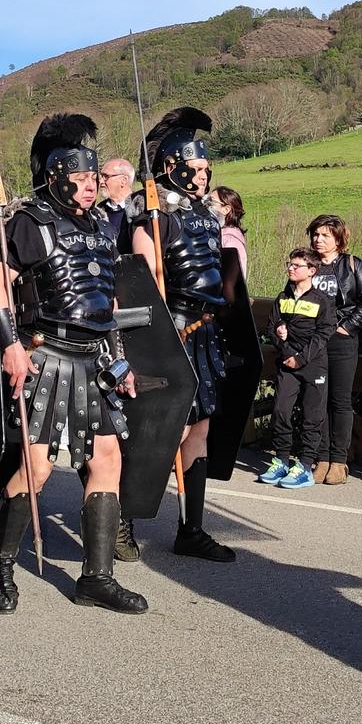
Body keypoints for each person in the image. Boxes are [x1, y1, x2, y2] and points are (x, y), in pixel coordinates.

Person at [0, 113, 147, 615]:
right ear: (54, 176)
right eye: (80, 178)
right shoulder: (29, 222)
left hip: (93, 359)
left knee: (106, 461)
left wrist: (120, 362)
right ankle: (0, 564)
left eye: (94, 178)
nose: (91, 186)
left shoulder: (100, 227)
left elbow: (106, 304)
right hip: (46, 353)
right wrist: (10, 345)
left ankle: (96, 577)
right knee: (36, 466)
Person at [132, 107, 242, 560]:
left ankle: (190, 529)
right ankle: (121, 519)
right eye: (193, 168)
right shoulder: (150, 222)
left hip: (205, 331)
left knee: (199, 428)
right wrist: (158, 338)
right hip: (171, 330)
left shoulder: (206, 216)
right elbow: (148, 279)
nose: (202, 175)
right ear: (170, 168)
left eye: (205, 168)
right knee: (160, 431)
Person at [306, 215, 362, 485]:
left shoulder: (352, 265)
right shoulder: (307, 265)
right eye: (315, 234)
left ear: (338, 239)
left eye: (325, 235)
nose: (318, 240)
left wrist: (347, 327)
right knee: (317, 399)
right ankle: (321, 457)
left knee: (340, 401)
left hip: (343, 342)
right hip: (314, 342)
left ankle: (339, 460)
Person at [260, 246, 334, 491]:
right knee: (281, 409)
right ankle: (281, 459)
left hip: (313, 366)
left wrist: (301, 358)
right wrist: (285, 346)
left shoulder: (322, 301)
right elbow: (271, 329)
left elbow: (324, 334)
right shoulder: (283, 298)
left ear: (311, 271)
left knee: (312, 416)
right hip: (286, 364)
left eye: (297, 265)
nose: (291, 268)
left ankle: (304, 465)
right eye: (289, 264)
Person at [95, 157, 135, 249]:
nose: (101, 181)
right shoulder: (97, 213)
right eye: (101, 176)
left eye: (106, 176)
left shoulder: (142, 211)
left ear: (123, 180)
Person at [211, 186, 248, 279]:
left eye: (211, 201)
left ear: (226, 209)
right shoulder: (219, 234)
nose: (205, 204)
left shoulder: (230, 241)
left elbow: (232, 282)